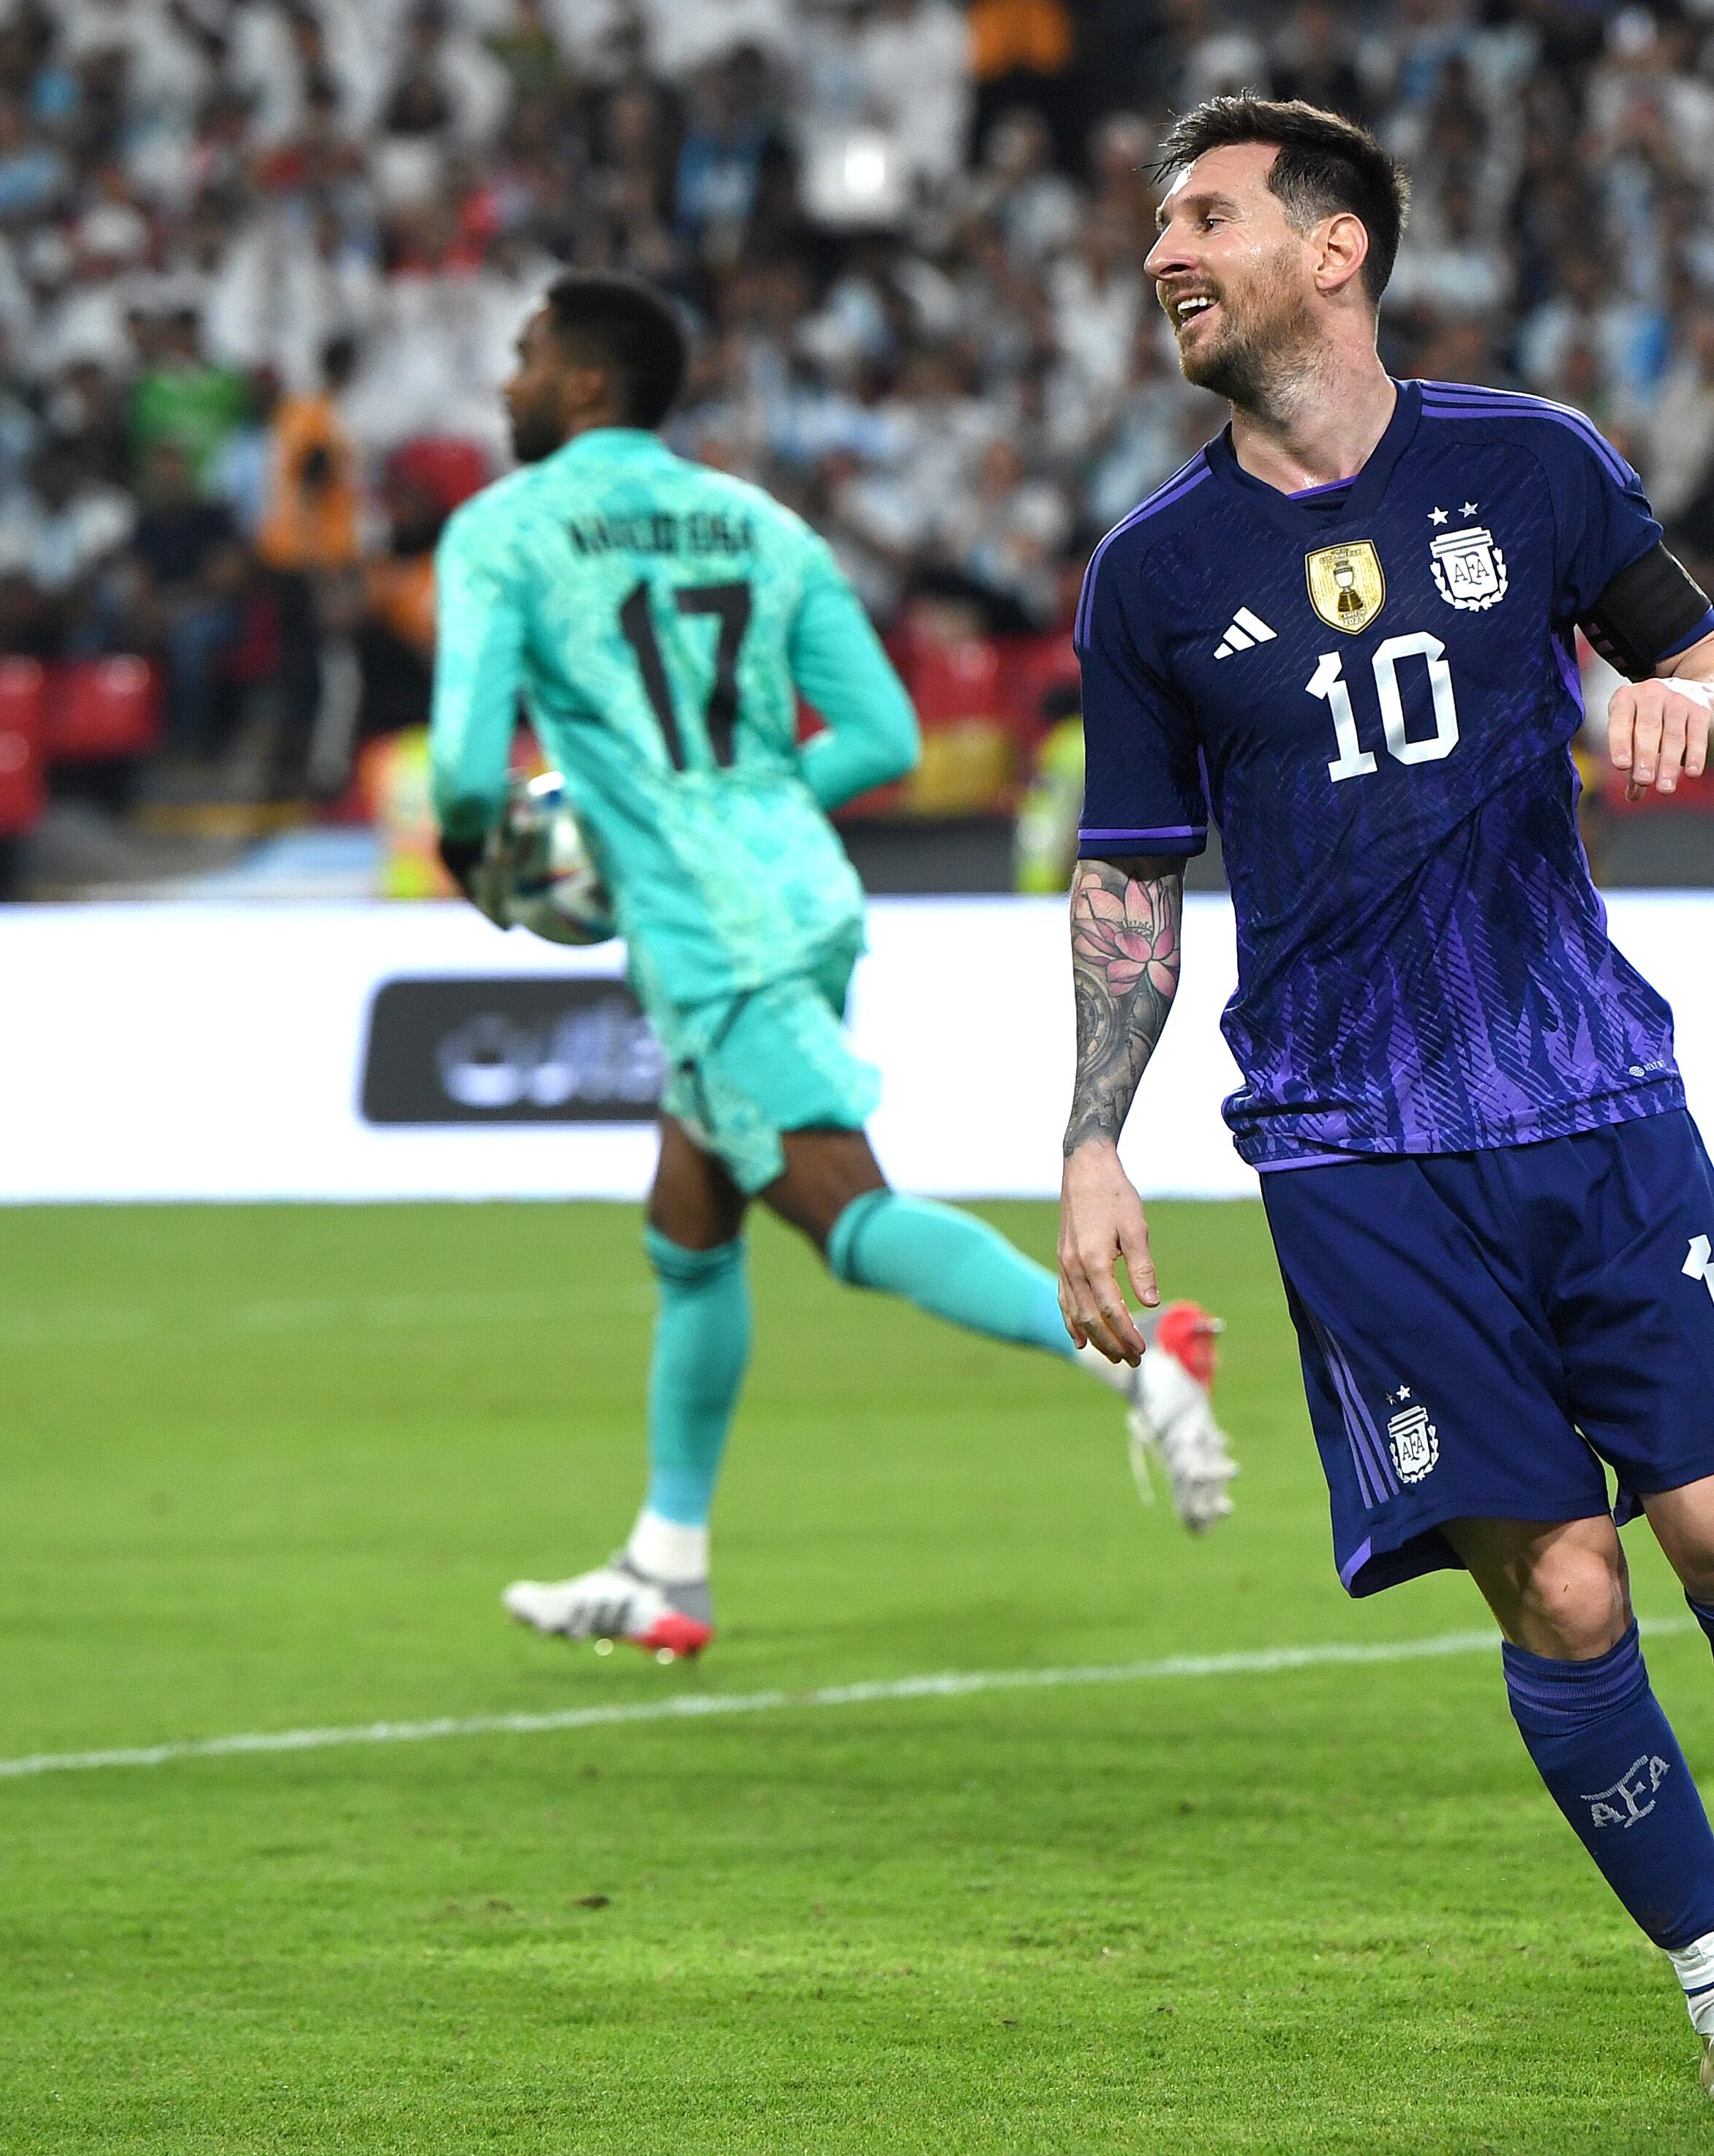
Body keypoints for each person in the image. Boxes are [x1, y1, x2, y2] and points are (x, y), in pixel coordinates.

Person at [1055, 98, 1714, 2110]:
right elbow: (1129, 870)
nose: (1161, 253)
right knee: (1563, 1579)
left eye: (1203, 215)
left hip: (1586, 1092)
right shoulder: (1149, 573)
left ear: (1335, 251)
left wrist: (1685, 703)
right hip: (1352, 1147)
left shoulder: (1530, 466)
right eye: (1156, 223)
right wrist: (1088, 1137)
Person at [426, 271, 1236, 1663]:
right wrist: (738, 801)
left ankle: (1136, 1352)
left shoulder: (504, 530)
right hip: (798, 893)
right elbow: (878, 737)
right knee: (690, 1235)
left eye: (522, 359)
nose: (505, 384)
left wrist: (500, 858)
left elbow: (456, 773)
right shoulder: (762, 523)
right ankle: (663, 1564)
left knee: (845, 1212)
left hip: (704, 930)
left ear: (580, 385)